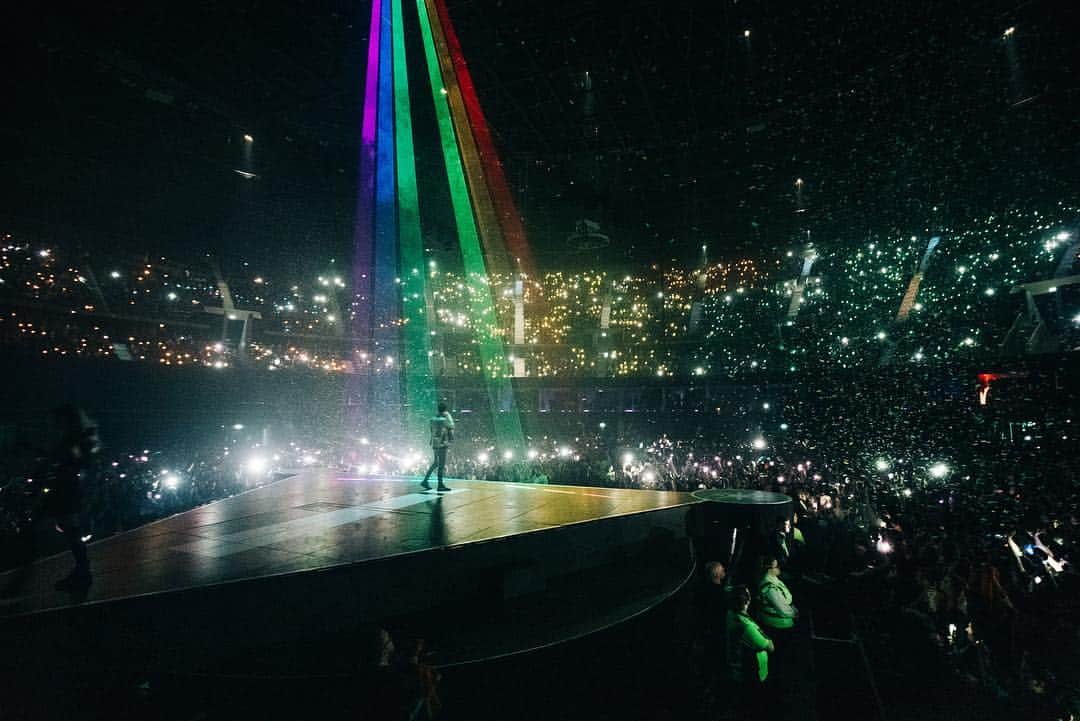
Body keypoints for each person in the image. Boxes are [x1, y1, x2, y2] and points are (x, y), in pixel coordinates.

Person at [726, 584, 773, 719]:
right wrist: (763, 633)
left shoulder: (730, 613)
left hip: (737, 667)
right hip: (752, 672)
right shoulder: (747, 626)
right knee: (754, 704)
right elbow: (770, 647)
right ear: (747, 600)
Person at [420, 402, 454, 493]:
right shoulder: (447, 416)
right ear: (445, 409)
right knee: (441, 465)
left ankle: (425, 481)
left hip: (435, 444)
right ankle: (440, 485)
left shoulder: (434, 418)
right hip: (442, 443)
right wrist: (450, 441)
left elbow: (431, 430)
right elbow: (451, 428)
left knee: (436, 463)